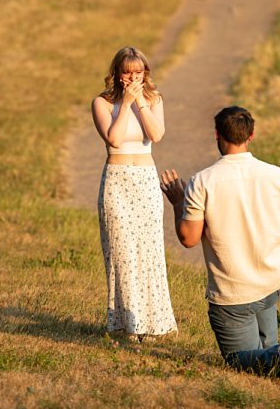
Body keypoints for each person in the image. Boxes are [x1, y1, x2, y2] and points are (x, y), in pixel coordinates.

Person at [158, 106, 280, 386]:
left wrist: (177, 202)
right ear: (251, 135)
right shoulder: (279, 176)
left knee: (237, 360)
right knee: (263, 341)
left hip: (233, 293)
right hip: (273, 282)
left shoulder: (202, 182)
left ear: (217, 135)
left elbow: (188, 239)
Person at [90, 46, 176, 342]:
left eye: (138, 72)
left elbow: (157, 135)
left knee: (149, 251)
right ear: (117, 73)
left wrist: (139, 102)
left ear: (145, 73)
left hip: (145, 180)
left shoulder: (154, 100)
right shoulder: (102, 103)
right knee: (121, 252)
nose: (132, 77)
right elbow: (113, 138)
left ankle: (152, 324)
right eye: (127, 72)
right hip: (116, 181)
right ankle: (126, 325)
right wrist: (124, 104)